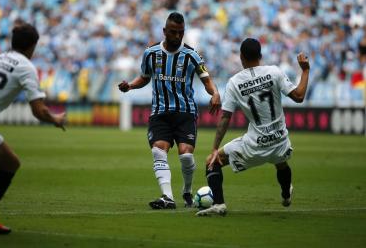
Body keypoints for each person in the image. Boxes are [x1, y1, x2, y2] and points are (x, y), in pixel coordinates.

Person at [0, 23, 66, 233]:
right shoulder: (26, 67)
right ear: (33, 46)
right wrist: (55, 119)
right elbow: (38, 111)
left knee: (10, 163)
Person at [196, 38, 310, 216]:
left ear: (241, 57)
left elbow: (225, 117)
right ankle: (286, 194)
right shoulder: (274, 72)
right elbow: (299, 96)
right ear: (261, 55)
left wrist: (214, 149)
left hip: (254, 145)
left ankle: (219, 204)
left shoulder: (234, 82)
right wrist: (305, 70)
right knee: (280, 162)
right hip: (280, 140)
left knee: (212, 162)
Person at [118, 12, 221, 209]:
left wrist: (215, 93)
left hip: (185, 113)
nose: (176, 36)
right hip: (160, 112)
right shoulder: (151, 53)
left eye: (180, 33)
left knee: (186, 155)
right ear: (164, 31)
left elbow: (206, 80)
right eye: (173, 32)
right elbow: (145, 77)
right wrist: (130, 85)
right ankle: (168, 197)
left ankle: (187, 191)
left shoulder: (192, 55)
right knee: (158, 150)